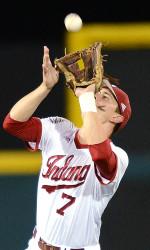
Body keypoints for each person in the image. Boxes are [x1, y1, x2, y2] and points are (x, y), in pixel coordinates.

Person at [3, 46, 132, 250]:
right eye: (97, 93)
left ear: (117, 117)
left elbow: (97, 148)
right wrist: (45, 88)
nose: (96, 96)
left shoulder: (119, 156)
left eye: (105, 97)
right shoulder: (59, 130)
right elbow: (13, 124)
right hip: (38, 245)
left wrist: (86, 97)